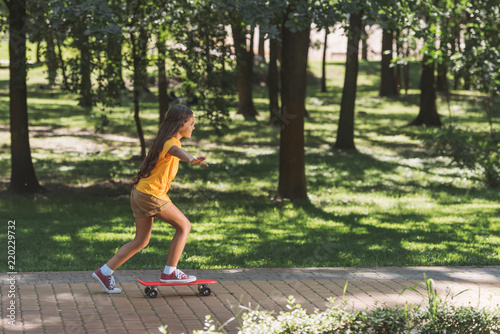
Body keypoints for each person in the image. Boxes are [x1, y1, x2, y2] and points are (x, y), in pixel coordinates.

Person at [93, 105, 208, 294]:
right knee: (184, 226)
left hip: (139, 192)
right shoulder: (171, 143)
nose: (194, 126)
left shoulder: (164, 141)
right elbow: (177, 152)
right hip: (151, 195)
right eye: (191, 123)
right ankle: (170, 272)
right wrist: (191, 159)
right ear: (181, 124)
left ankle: (105, 272)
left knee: (141, 240)